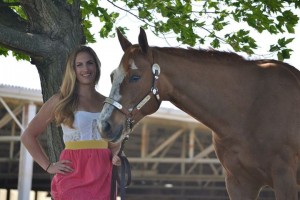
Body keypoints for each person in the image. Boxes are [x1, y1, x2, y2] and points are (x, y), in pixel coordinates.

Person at [20, 45, 121, 200]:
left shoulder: (108, 103)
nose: (85, 69)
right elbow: (28, 136)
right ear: (72, 70)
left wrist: (115, 155)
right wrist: (48, 166)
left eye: (89, 63)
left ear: (97, 66)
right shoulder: (60, 100)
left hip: (103, 173)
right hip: (73, 171)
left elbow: (113, 142)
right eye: (79, 64)